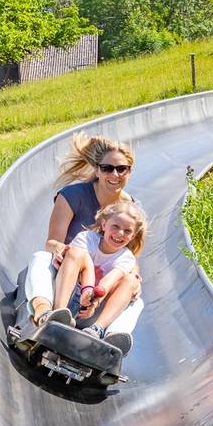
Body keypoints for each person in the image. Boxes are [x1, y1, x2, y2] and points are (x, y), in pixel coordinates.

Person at [20, 134, 144, 352]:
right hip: (66, 280)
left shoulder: (128, 207)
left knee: (136, 297)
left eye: (121, 169)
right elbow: (51, 241)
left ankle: (110, 337)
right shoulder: (72, 195)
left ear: (129, 171)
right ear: (97, 170)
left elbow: (128, 256)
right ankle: (46, 313)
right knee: (40, 258)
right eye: (107, 168)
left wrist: (134, 277)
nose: (115, 174)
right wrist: (61, 249)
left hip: (97, 294)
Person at [26, 202, 146, 333]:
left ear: (133, 236)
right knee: (41, 257)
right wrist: (87, 290)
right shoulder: (87, 238)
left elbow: (109, 281)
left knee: (134, 291)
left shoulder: (127, 258)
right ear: (104, 225)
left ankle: (103, 331)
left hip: (90, 311)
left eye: (127, 231)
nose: (120, 233)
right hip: (65, 296)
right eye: (115, 226)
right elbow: (85, 264)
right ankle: (52, 313)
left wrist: (94, 301)